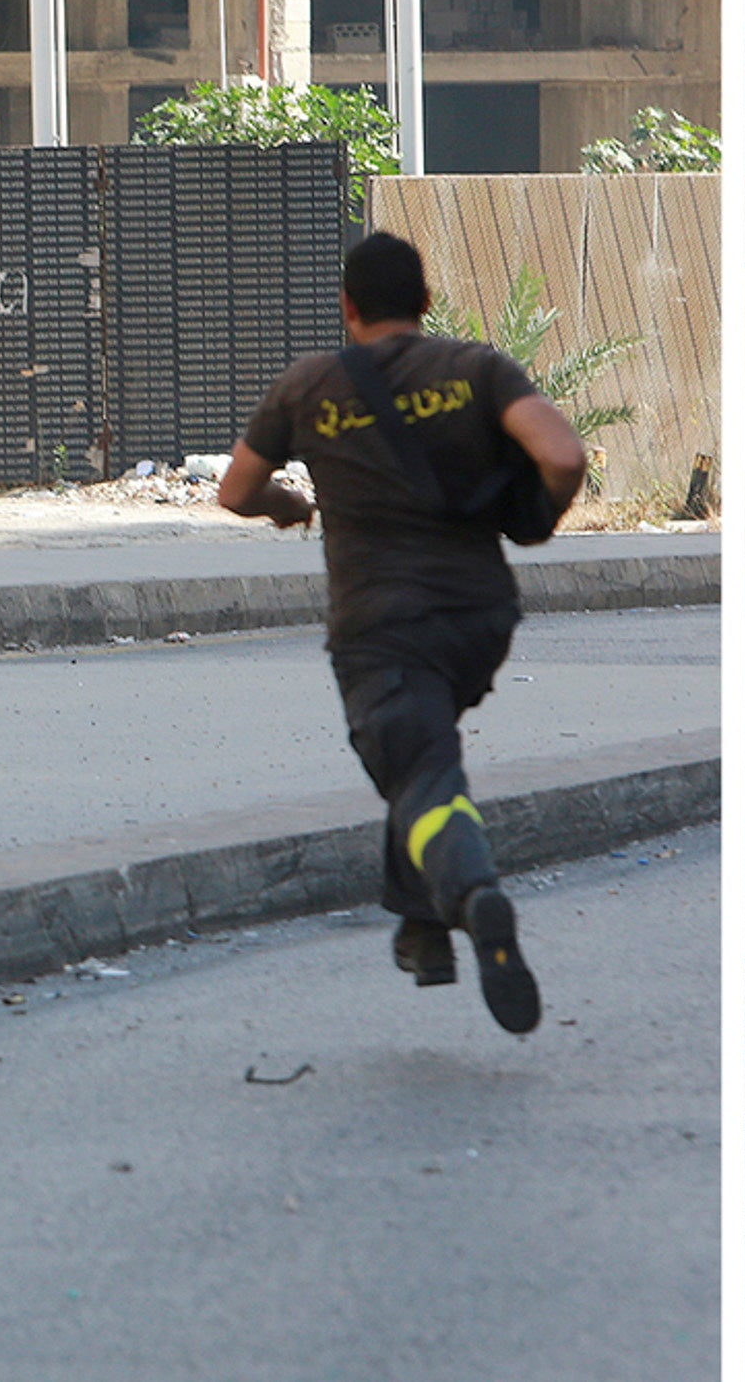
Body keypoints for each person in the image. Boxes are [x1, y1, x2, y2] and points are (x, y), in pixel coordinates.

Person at [218, 230, 590, 1036]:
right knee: (420, 752)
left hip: (379, 627)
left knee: (420, 778)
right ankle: (421, 930)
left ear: (348, 307)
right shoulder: (477, 370)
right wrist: (535, 516)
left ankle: (470, 892)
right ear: (425, 302)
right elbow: (562, 454)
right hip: (479, 622)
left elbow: (237, 489)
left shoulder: (307, 386)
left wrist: (287, 504)